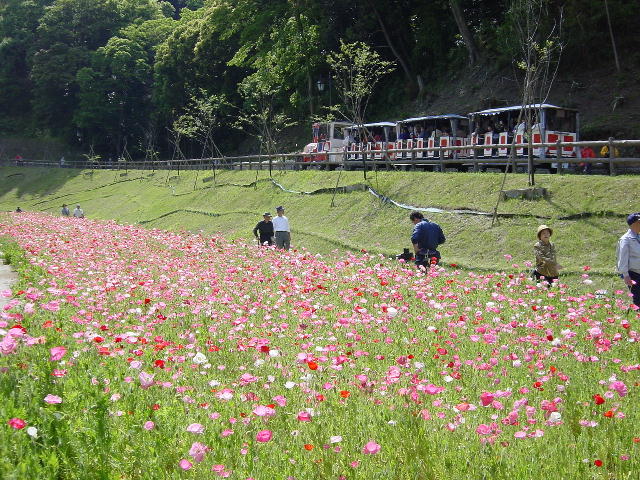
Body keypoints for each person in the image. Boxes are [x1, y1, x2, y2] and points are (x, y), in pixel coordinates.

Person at [616, 212, 640, 308]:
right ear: (634, 224)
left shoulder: (638, 236)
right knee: (638, 298)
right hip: (633, 273)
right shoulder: (626, 239)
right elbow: (622, 258)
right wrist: (626, 275)